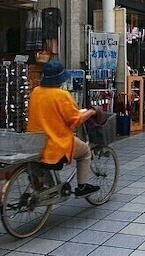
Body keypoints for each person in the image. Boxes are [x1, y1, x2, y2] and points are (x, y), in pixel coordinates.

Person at [27, 61, 100, 197]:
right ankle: (82, 186)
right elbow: (75, 120)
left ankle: (42, 183)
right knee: (85, 152)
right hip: (56, 142)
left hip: (36, 141)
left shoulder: (36, 92)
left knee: (42, 160)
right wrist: (91, 112)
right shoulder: (61, 95)